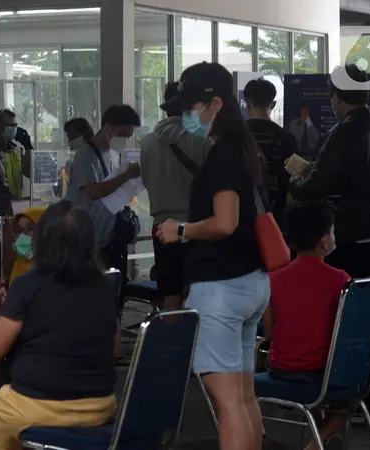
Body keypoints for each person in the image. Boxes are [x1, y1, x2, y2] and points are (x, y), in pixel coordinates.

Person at [156, 62, 269, 450]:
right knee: (242, 397)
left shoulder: (223, 154)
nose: (189, 114)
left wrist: (180, 230)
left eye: (193, 106)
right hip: (251, 282)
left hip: (221, 287)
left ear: (216, 104)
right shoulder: (243, 150)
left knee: (227, 402)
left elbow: (225, 222)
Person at [290, 64, 370, 416]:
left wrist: (296, 183)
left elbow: (319, 186)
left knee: (342, 317)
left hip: (352, 236)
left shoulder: (344, 134)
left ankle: (342, 394)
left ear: (336, 97)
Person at [0, 201, 119, 450]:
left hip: (37, 404)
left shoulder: (27, 285)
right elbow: (114, 350)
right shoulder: (105, 287)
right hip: (99, 406)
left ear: (43, 240)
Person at [263, 202, 352, 450]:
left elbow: (269, 332)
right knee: (351, 397)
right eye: (332, 232)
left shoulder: (273, 280)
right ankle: (316, 444)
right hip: (323, 370)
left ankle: (319, 439)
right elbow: (344, 334)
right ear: (325, 241)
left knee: (316, 395)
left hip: (282, 368)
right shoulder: (341, 280)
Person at [140, 81, 213, 311]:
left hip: (162, 228)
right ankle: (194, 344)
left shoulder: (149, 142)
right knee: (198, 294)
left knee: (170, 295)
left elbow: (145, 181)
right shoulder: (200, 140)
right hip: (196, 227)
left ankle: (173, 342)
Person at [64, 105, 141, 282]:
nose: (125, 140)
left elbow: (112, 188)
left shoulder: (113, 154)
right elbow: (93, 191)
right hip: (86, 238)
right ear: (108, 128)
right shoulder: (86, 155)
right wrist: (127, 175)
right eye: (123, 135)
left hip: (107, 237)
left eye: (128, 137)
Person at [243, 79, 297, 229]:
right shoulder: (286, 138)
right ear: (272, 104)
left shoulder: (236, 135)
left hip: (242, 210)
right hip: (276, 214)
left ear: (247, 103)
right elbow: (295, 176)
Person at [0, 109, 31, 199]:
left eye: (16, 125)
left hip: (16, 202)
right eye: (11, 125)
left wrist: (28, 147)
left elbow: (29, 173)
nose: (14, 129)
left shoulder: (17, 148)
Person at [8, 207, 46, 282]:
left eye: (29, 229)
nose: (22, 235)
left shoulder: (50, 270)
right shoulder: (20, 263)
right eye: (20, 230)